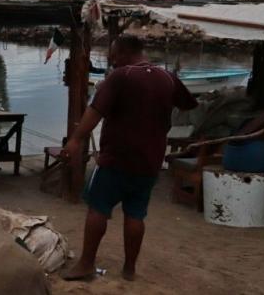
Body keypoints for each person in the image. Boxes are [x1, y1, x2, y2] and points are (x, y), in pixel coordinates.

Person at [61, 35, 197, 282]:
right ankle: (129, 270)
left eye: (113, 56)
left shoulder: (120, 76)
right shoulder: (167, 77)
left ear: (124, 53)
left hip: (116, 158)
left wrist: (75, 140)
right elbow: (187, 105)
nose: (112, 61)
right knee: (136, 214)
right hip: (150, 161)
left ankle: (86, 264)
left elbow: (95, 113)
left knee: (97, 208)